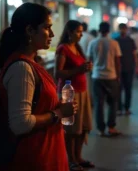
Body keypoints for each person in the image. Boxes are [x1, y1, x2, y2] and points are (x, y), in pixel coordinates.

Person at [0, 3, 77, 171]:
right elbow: (20, 123)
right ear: (30, 30)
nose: (52, 34)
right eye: (47, 28)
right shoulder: (21, 68)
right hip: (34, 157)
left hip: (47, 152)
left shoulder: (32, 63)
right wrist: (58, 113)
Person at [54, 20, 94, 170]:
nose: (81, 34)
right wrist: (78, 70)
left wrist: (86, 68)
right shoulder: (63, 49)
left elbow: (80, 68)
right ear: (69, 32)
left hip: (82, 91)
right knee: (71, 129)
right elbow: (58, 73)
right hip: (69, 93)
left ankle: (78, 157)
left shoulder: (77, 47)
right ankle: (70, 160)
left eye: (81, 31)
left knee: (83, 127)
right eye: (78, 31)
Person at [87, 22, 122, 137]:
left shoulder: (93, 43)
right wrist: (118, 76)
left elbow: (90, 60)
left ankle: (100, 129)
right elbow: (117, 61)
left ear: (99, 30)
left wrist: (93, 71)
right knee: (112, 103)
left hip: (97, 76)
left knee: (98, 103)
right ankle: (111, 127)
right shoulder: (114, 43)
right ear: (108, 30)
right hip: (111, 76)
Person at [115, 24, 138, 115]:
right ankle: (119, 108)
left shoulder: (130, 40)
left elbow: (134, 54)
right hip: (119, 69)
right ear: (119, 29)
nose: (123, 31)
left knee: (128, 89)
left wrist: (137, 67)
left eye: (124, 29)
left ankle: (127, 108)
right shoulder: (116, 41)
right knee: (119, 89)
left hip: (129, 67)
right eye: (121, 29)